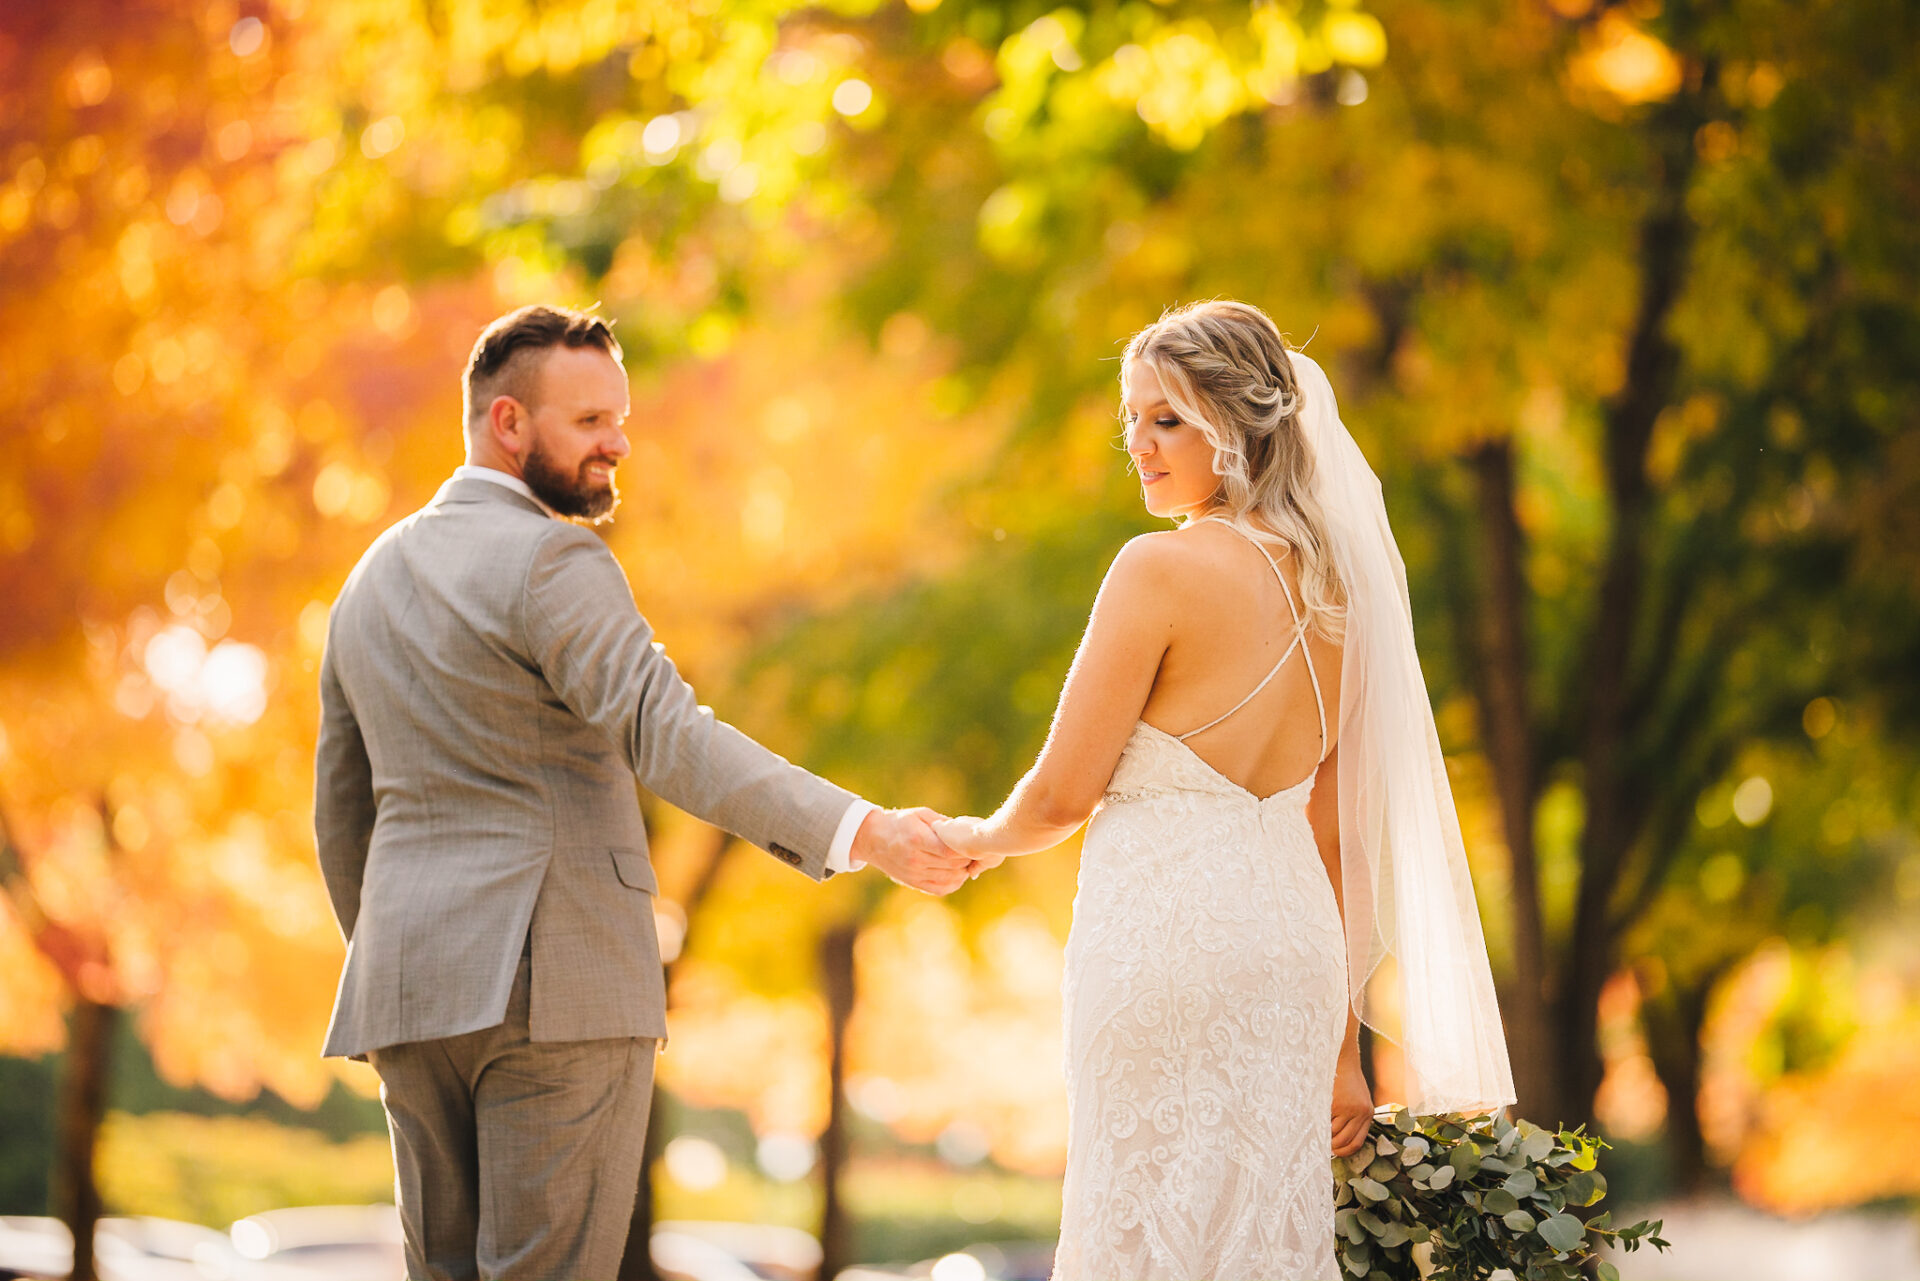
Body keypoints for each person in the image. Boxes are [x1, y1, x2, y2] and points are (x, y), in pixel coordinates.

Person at [312, 304, 972, 1281]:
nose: (619, 443)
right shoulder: (553, 557)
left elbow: (340, 808)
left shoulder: (367, 582)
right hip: (559, 990)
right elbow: (670, 736)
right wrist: (863, 831)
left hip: (409, 996)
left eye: (620, 419)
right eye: (588, 422)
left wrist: (400, 950)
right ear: (506, 423)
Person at [935, 300, 1515, 1279]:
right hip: (1292, 958)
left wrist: (970, 840)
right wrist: (1345, 1052)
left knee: (1144, 1230)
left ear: (1240, 424)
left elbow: (1061, 797)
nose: (1140, 445)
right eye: (1132, 417)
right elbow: (1335, 835)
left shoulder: (1157, 570)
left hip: (1165, 949)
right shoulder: (1343, 598)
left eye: (1168, 418)